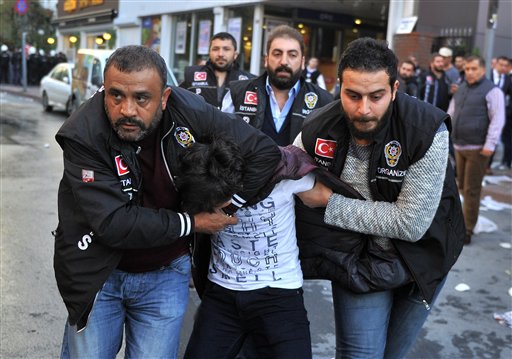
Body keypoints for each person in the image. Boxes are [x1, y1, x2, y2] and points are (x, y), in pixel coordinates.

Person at [53, 45, 281, 359]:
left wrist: (228, 206)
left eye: (142, 98)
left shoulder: (190, 111)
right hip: (99, 274)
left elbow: (265, 153)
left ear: (164, 97)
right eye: (116, 95)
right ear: (104, 90)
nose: (127, 110)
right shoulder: (83, 134)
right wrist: (195, 223)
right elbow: (114, 224)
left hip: (165, 273)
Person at [294, 37, 465, 359]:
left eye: (376, 96)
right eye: (352, 95)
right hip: (357, 262)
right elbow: (284, 182)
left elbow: (410, 223)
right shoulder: (317, 128)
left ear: (395, 88)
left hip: (423, 260)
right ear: (338, 86)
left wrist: (329, 202)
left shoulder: (426, 129)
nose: (364, 109)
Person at [176, 135, 326, 359]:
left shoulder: (282, 173)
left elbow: (324, 196)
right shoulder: (202, 175)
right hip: (222, 295)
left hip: (279, 293)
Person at [222, 25, 332, 146]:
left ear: (302, 62)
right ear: (266, 59)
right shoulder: (237, 93)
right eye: (277, 54)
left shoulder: (324, 102)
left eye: (292, 55)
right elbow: (222, 141)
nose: (284, 61)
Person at [448, 55, 505, 244]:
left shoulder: (492, 90)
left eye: (473, 68)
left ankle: (467, 229)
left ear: (482, 69)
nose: (469, 72)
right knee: (462, 187)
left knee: (471, 189)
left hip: (478, 148)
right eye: (467, 69)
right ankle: (464, 221)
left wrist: (490, 145)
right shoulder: (461, 88)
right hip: (459, 145)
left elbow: (497, 119)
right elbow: (451, 112)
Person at [179, 32, 254, 108]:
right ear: (209, 53)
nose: (220, 54)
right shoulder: (192, 75)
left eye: (226, 49)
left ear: (235, 54)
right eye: (215, 49)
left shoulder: (247, 81)